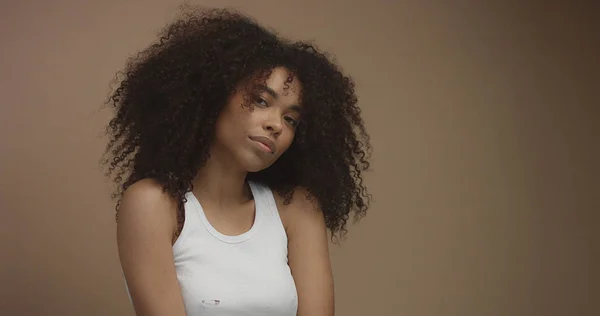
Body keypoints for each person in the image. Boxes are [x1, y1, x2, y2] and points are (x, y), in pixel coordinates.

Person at [101, 5, 371, 316]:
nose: (276, 125)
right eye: (261, 100)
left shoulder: (297, 209)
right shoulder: (153, 205)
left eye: (291, 119)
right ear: (214, 94)